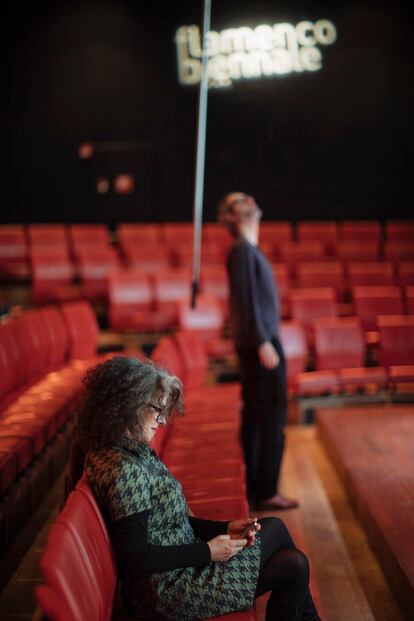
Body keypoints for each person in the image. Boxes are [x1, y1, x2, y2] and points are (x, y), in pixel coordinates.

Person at [72, 355, 321, 621]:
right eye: (156, 409)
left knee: (293, 564)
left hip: (181, 571)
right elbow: (136, 557)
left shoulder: (127, 450)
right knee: (280, 534)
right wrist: (209, 551)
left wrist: (224, 528)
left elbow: (175, 522)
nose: (163, 420)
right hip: (169, 593)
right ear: (127, 406)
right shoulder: (124, 471)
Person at [218, 192, 298, 511]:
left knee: (257, 416)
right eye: (239, 201)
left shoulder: (248, 252)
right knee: (270, 417)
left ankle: (257, 488)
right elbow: (246, 302)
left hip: (258, 341)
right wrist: (263, 340)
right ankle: (266, 491)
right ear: (232, 217)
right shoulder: (242, 251)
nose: (248, 200)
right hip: (260, 343)